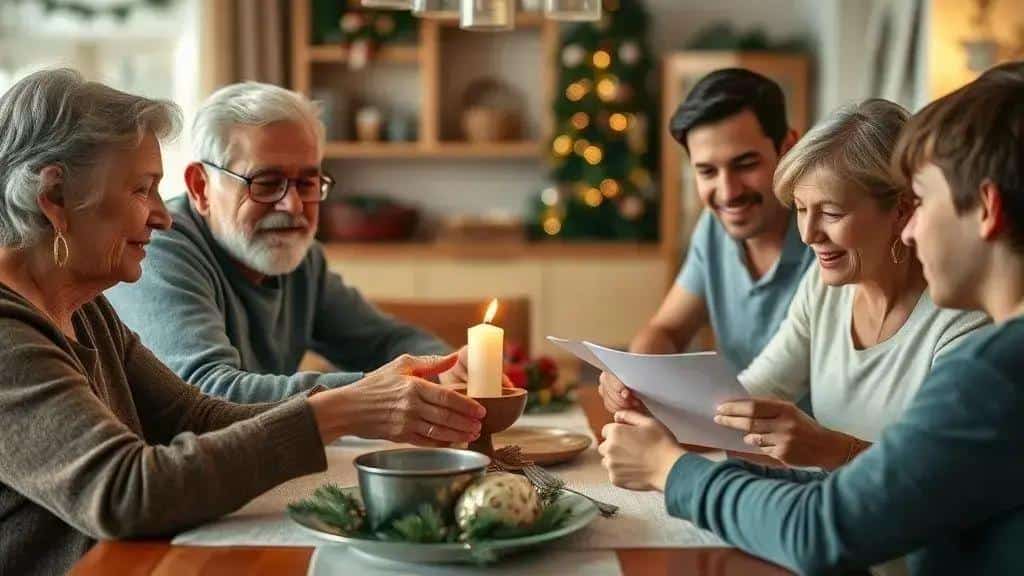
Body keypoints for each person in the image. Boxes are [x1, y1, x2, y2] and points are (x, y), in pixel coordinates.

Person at [0, 69, 485, 576]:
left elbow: (196, 415)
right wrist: (343, 410)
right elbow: (126, 491)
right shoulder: (8, 336)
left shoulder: (85, 309)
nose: (162, 216)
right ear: (55, 198)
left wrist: (359, 405)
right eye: (142, 190)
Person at [599, 61, 1024, 575]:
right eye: (801, 210)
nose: (914, 230)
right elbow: (844, 491)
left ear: (986, 208)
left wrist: (671, 471)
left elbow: (826, 526)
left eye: (926, 202)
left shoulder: (988, 364)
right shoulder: (834, 293)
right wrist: (652, 397)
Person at [106, 82, 462, 403]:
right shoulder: (158, 249)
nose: (293, 206)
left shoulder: (301, 259)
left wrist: (450, 366)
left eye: (307, 184)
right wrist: (375, 392)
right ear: (201, 187)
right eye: (265, 183)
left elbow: (384, 342)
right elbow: (208, 393)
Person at [710, 99, 987, 470]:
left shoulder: (964, 320)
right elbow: (759, 389)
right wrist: (661, 405)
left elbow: (948, 475)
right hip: (830, 501)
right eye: (802, 210)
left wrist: (832, 450)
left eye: (831, 213)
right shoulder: (823, 287)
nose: (808, 235)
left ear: (902, 210)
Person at [599, 68, 814, 414]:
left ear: (788, 147)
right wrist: (633, 374)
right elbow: (667, 330)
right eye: (707, 171)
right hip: (732, 433)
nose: (727, 193)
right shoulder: (715, 228)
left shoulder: (825, 238)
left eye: (745, 164)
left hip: (812, 443)